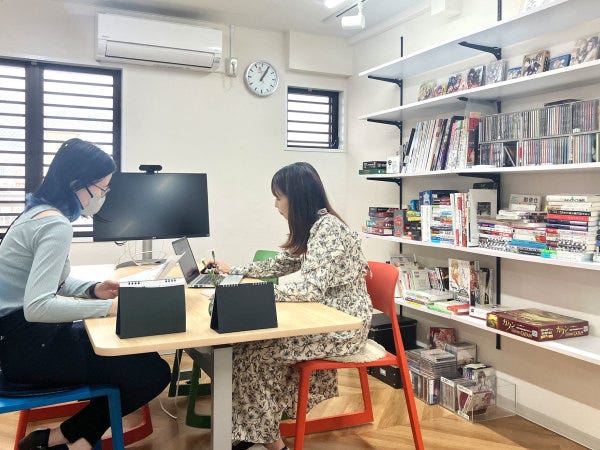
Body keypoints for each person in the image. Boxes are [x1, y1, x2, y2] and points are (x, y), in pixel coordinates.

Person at [0, 139, 171, 450]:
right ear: (76, 183)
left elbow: (53, 281)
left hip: (17, 342)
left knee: (144, 361)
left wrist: (92, 290)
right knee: (153, 371)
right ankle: (69, 438)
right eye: (102, 189)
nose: (103, 196)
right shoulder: (55, 225)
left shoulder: (36, 212)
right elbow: (38, 306)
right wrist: (107, 308)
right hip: (28, 349)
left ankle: (68, 438)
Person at [214, 162, 372, 450]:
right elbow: (282, 263)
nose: (275, 205)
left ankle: (267, 438)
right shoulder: (315, 228)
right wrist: (235, 271)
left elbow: (311, 289)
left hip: (343, 326)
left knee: (254, 350)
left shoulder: (329, 229)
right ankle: (257, 430)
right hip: (323, 316)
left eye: (278, 197)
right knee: (249, 346)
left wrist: (255, 294)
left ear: (297, 197)